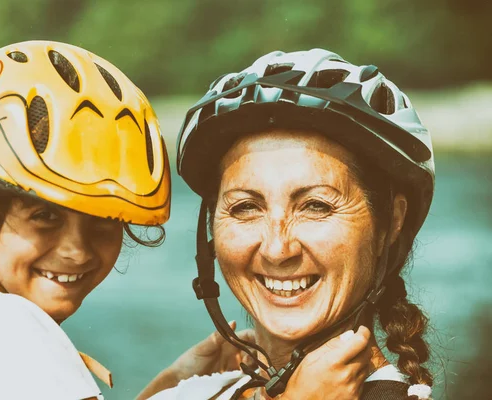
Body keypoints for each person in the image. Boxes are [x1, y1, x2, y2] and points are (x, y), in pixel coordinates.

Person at [0, 40, 253, 400]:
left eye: (103, 219)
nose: (76, 250)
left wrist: (175, 381)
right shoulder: (12, 329)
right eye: (44, 216)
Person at [164, 48, 436, 399]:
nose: (278, 249)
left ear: (391, 221)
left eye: (316, 206)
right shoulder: (198, 390)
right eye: (246, 207)